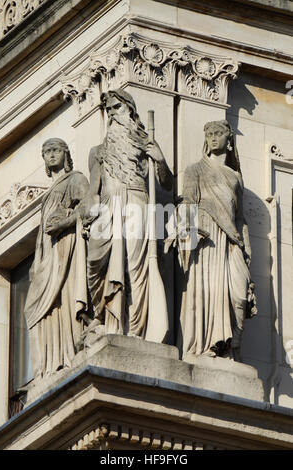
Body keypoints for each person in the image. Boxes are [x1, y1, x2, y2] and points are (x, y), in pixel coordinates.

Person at [81, 89, 172, 339]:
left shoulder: (145, 142)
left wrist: (160, 160)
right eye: (108, 110)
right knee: (96, 258)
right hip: (109, 203)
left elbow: (167, 184)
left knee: (136, 264)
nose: (111, 114)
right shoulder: (97, 151)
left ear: (129, 110)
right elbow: (93, 189)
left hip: (136, 200)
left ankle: (134, 328)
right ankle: (104, 313)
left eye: (116, 108)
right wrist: (88, 210)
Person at [178, 120, 257, 361]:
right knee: (211, 290)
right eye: (209, 134)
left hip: (231, 239)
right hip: (208, 236)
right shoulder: (195, 169)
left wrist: (246, 247)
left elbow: (241, 217)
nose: (213, 138)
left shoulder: (235, 177)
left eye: (218, 134)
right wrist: (185, 232)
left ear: (229, 140)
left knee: (239, 294)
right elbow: (188, 203)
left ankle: (232, 347)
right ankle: (210, 345)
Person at [24, 138, 90, 378]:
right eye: (46, 152)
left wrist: (65, 222)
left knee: (63, 297)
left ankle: (68, 351)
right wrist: (35, 261)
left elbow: (89, 206)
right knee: (34, 307)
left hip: (66, 245)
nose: (50, 155)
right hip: (48, 253)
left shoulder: (76, 179)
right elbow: (42, 233)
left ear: (65, 154)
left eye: (55, 151)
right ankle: (52, 363)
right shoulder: (48, 193)